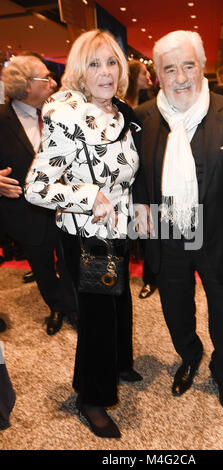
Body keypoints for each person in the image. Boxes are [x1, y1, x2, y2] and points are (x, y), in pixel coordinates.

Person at [134, 30, 223, 419]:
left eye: (187, 65)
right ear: (157, 74)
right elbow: (139, 177)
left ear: (202, 66)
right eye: (169, 68)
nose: (180, 77)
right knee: (175, 308)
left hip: (220, 234)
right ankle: (189, 355)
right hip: (168, 231)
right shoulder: (143, 117)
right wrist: (141, 211)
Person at [25, 29, 142, 439]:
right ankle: (91, 398)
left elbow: (124, 174)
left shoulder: (120, 111)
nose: (105, 72)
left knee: (119, 299)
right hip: (87, 236)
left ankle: (119, 363)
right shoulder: (67, 115)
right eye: (94, 63)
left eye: (112, 62)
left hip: (119, 230)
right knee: (95, 316)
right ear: (79, 70)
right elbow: (36, 187)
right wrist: (88, 194)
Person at [0, 55, 78, 335]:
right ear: (24, 84)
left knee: (71, 260)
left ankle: (72, 307)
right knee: (43, 266)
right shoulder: (1, 118)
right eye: (46, 77)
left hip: (64, 205)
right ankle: (56, 306)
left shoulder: (59, 111)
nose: (53, 82)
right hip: (24, 212)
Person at [125, 60, 157, 299]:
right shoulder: (119, 104)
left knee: (151, 231)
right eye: (144, 72)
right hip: (127, 179)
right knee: (136, 230)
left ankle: (152, 276)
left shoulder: (152, 104)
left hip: (148, 174)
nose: (149, 76)